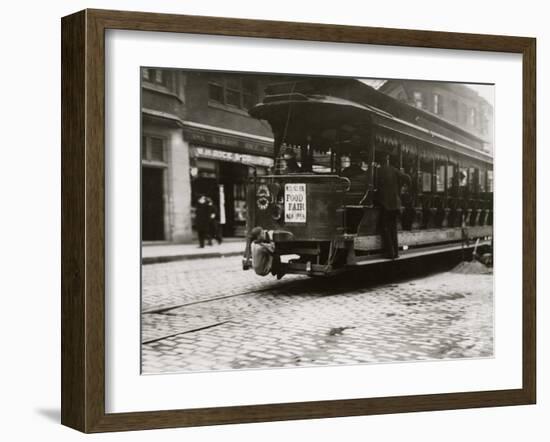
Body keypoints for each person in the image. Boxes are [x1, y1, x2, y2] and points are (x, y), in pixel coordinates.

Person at [376, 155, 411, 259]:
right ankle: (395, 253)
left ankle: (390, 253)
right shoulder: (394, 170)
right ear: (386, 160)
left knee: (385, 228)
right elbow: (407, 178)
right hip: (395, 204)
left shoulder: (378, 171)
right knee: (393, 228)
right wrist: (406, 188)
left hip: (384, 204)